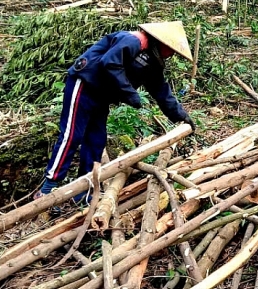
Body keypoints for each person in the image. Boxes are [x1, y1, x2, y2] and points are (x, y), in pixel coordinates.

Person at [35, 21, 196, 204]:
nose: (171, 54)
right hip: (84, 85)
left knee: (96, 141)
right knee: (72, 135)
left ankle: (82, 190)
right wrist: (130, 93)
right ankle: (48, 187)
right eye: (171, 50)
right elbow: (110, 62)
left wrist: (181, 116)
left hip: (101, 96)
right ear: (162, 43)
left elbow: (161, 91)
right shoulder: (134, 41)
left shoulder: (153, 62)